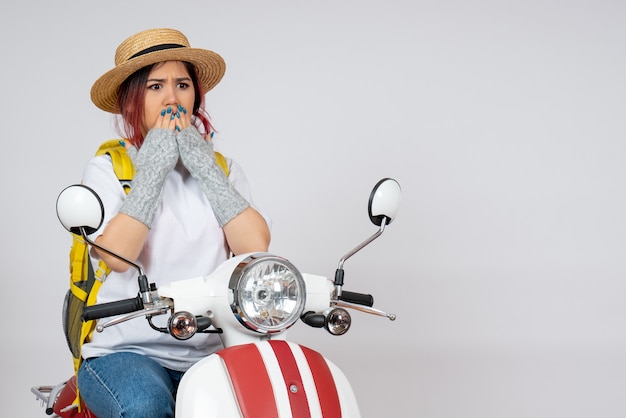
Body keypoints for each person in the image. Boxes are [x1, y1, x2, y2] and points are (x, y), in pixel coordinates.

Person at [76, 28, 271, 417]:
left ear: (195, 94)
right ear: (132, 100)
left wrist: (200, 162)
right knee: (146, 407)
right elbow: (116, 256)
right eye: (155, 86)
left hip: (210, 349)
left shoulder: (223, 170)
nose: (171, 98)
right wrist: (154, 164)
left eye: (182, 84)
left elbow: (255, 247)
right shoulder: (109, 169)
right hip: (126, 351)